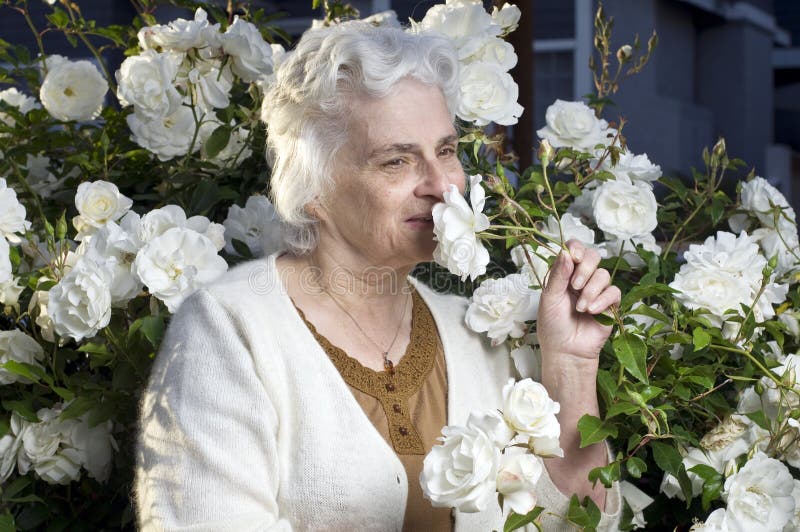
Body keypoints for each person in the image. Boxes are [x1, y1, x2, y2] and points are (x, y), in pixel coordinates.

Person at [135, 21, 622, 531]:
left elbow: (574, 525)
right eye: (396, 161)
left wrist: (570, 366)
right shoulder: (229, 330)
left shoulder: (478, 335)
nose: (441, 186)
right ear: (313, 186)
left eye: (447, 150)